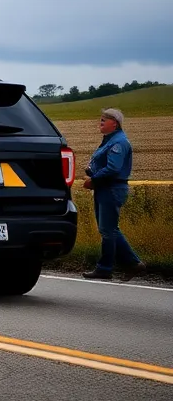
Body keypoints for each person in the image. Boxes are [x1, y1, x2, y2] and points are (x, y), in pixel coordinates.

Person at [82, 108, 146, 280]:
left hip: (111, 189)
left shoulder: (118, 142)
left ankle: (108, 267)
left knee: (108, 231)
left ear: (114, 123)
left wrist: (94, 179)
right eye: (101, 119)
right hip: (105, 188)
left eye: (105, 119)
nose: (100, 122)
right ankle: (127, 264)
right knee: (108, 229)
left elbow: (113, 168)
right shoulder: (109, 140)